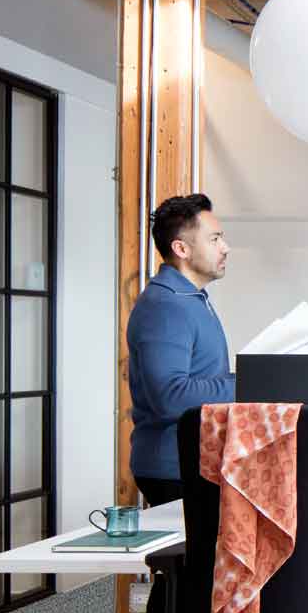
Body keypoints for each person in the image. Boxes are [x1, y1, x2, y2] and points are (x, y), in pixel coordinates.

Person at [128, 193, 234, 507]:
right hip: (175, 470)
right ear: (181, 249)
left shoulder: (190, 299)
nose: (224, 247)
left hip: (197, 462)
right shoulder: (166, 306)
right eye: (214, 239)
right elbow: (170, 396)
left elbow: (204, 377)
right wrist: (250, 385)